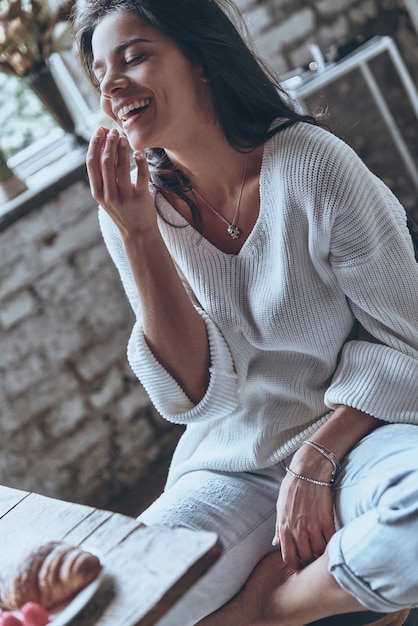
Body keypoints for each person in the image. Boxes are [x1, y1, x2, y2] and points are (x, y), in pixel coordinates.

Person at [72, 0, 418, 624]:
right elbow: (198, 394)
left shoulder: (315, 167)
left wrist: (318, 459)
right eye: (101, 73)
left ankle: (270, 608)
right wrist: (139, 235)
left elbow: (407, 338)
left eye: (135, 57)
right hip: (235, 466)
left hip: (360, 433)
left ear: (201, 58)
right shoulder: (130, 210)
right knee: (113, 603)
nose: (113, 84)